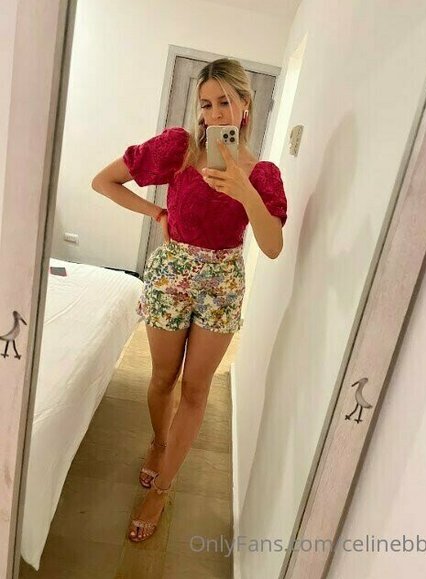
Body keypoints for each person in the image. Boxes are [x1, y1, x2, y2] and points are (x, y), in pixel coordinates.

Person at [91, 57, 288, 542]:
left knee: (196, 391)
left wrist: (245, 192)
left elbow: (272, 246)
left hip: (222, 285)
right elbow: (104, 181)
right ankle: (159, 443)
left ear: (245, 106)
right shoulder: (178, 149)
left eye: (225, 102)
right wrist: (156, 212)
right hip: (172, 272)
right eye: (206, 104)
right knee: (163, 377)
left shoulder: (263, 173)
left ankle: (162, 490)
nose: (214, 114)